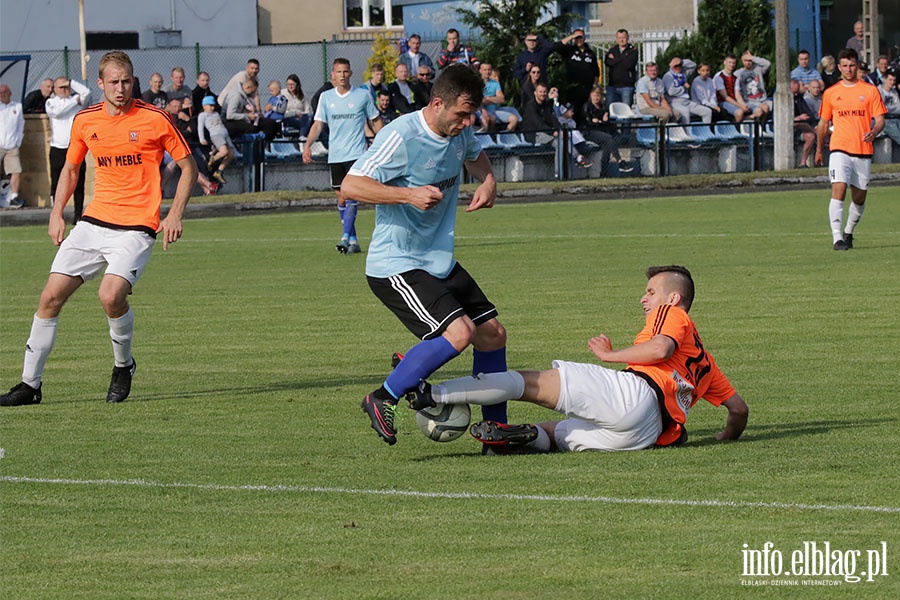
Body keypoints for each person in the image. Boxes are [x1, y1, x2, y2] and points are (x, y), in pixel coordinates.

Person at [0, 50, 198, 408]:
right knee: (49, 297)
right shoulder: (85, 120)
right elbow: (71, 169)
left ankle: (123, 366)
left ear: (132, 81)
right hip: (92, 223)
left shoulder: (155, 119)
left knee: (109, 296)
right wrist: (56, 212)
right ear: (100, 83)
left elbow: (188, 167)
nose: (120, 89)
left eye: (126, 82)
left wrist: (175, 214)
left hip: (136, 227)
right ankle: (30, 385)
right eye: (113, 82)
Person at [406, 265, 749, 454]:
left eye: (650, 292)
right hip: (645, 434)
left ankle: (431, 394)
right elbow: (739, 410)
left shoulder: (673, 316)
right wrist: (725, 438)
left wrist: (609, 355)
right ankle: (515, 436)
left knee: (524, 382)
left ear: (673, 297)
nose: (643, 299)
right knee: (554, 435)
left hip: (635, 395)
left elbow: (661, 349)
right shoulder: (707, 362)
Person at [340, 64, 507, 446]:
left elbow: (475, 155)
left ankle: (494, 430)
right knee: (461, 332)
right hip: (396, 264)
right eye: (461, 114)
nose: (467, 123)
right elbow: (351, 184)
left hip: (437, 260)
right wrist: (407, 194)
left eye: (471, 115)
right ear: (436, 104)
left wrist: (489, 180)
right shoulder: (402, 135)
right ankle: (383, 397)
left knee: (493, 335)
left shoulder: (459, 133)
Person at [302, 58, 382, 254]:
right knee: (341, 198)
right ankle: (353, 240)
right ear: (333, 75)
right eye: (339, 72)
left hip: (356, 153)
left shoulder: (362, 95)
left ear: (351, 73)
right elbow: (318, 124)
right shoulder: (326, 97)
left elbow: (376, 120)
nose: (342, 75)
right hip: (336, 155)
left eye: (345, 71)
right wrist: (307, 145)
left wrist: (383, 141)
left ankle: (345, 237)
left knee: (352, 193)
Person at [815, 48, 886, 251]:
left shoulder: (870, 91)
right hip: (839, 148)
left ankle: (848, 232)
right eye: (844, 65)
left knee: (859, 196)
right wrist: (820, 150)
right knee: (839, 187)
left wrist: (874, 131)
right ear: (839, 67)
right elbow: (823, 124)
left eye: (852, 65)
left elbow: (880, 119)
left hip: (863, 150)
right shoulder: (831, 93)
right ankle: (837, 238)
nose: (848, 69)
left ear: (858, 66)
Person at [45, 77, 91, 221]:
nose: (65, 90)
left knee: (78, 182)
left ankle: (78, 216)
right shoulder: (51, 102)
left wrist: (72, 82)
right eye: (61, 87)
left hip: (75, 147)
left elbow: (87, 92)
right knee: (56, 181)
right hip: (58, 148)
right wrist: (74, 101)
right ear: (55, 89)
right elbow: (58, 112)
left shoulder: (77, 101)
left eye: (67, 87)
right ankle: (56, 214)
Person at [554, 28, 599, 127]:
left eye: (580, 37)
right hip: (572, 88)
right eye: (576, 38)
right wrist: (571, 37)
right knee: (573, 112)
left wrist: (594, 86)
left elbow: (596, 71)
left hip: (586, 88)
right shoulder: (570, 50)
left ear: (584, 38)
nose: (578, 40)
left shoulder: (590, 53)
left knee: (585, 112)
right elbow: (557, 47)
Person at [581, 84, 627, 172]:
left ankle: (604, 171)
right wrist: (599, 121)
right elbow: (589, 122)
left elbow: (606, 124)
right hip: (589, 132)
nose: (596, 98)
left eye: (598, 95)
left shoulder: (603, 107)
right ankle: (620, 161)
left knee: (607, 145)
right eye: (594, 95)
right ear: (590, 95)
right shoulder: (587, 106)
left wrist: (604, 121)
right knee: (608, 138)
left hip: (601, 132)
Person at [222, 77, 279, 142]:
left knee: (270, 123)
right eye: (252, 91)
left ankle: (266, 145)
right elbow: (230, 115)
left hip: (243, 118)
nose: (252, 94)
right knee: (252, 129)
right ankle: (249, 149)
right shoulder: (236, 97)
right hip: (229, 121)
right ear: (248, 87)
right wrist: (247, 116)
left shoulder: (244, 96)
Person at [198, 95, 235, 185]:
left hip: (224, 134)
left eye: (213, 105)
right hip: (216, 134)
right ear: (204, 106)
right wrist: (201, 138)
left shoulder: (216, 114)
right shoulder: (203, 115)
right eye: (210, 105)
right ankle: (212, 159)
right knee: (224, 151)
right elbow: (200, 127)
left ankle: (219, 171)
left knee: (231, 154)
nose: (212, 108)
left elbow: (221, 125)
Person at [662, 57, 711, 124]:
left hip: (686, 101)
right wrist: (684, 88)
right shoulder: (667, 76)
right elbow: (671, 92)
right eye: (675, 66)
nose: (678, 67)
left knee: (707, 111)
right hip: (674, 102)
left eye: (679, 65)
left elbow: (693, 65)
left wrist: (681, 61)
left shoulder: (683, 73)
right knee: (685, 111)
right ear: (672, 66)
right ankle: (686, 133)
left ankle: (706, 132)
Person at [0, 83, 25, 208]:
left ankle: (14, 196)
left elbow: (21, 125)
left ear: (10, 93)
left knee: (16, 170)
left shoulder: (17, 106)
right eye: (1, 93)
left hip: (12, 146)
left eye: (5, 92)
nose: (3, 95)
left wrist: (18, 141)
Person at [478, 62, 518, 132]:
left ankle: (506, 136)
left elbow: (502, 99)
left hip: (495, 110)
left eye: (489, 70)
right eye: (485, 70)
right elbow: (480, 101)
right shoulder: (477, 83)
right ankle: (487, 139)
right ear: (480, 70)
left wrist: (488, 98)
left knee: (514, 119)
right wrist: (494, 99)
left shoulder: (495, 83)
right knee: (489, 119)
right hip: (481, 111)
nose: (487, 72)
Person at [604, 29, 639, 106]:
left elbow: (629, 64)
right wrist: (623, 59)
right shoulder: (613, 49)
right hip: (612, 86)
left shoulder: (633, 50)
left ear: (628, 38)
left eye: (623, 37)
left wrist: (615, 59)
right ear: (617, 38)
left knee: (625, 110)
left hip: (627, 86)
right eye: (619, 38)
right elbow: (607, 62)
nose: (621, 40)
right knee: (609, 109)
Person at [735, 51, 772, 120]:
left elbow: (768, 64)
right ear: (742, 61)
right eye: (746, 60)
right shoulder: (738, 73)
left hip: (762, 99)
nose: (748, 63)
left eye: (750, 60)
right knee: (765, 108)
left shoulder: (758, 69)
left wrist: (753, 58)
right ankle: (758, 126)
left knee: (774, 106)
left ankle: (753, 121)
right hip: (749, 101)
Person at [714, 54, 749, 122]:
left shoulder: (735, 78)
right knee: (739, 112)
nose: (731, 65)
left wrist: (743, 104)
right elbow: (725, 97)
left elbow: (737, 94)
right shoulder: (719, 77)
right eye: (729, 62)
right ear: (725, 62)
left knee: (754, 110)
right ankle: (736, 128)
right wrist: (739, 105)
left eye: (733, 63)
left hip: (732, 101)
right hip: (721, 102)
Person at [791, 79, 817, 168]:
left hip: (800, 130)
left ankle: (803, 163)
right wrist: (797, 118)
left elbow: (808, 114)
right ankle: (817, 133)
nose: (795, 94)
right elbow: (782, 118)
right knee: (800, 123)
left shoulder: (799, 98)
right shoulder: (782, 100)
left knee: (811, 137)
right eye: (793, 92)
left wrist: (804, 117)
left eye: (797, 92)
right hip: (788, 128)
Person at [282, 73, 313, 138]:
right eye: (288, 84)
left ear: (297, 84)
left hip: (302, 117)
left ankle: (303, 138)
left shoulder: (302, 94)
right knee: (304, 122)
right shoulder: (283, 94)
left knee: (310, 118)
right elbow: (282, 112)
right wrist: (294, 113)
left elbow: (308, 109)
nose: (290, 86)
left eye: (292, 84)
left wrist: (303, 115)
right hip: (289, 118)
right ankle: (302, 138)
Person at [877, 71, 900, 146]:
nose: (892, 82)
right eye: (890, 80)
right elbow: (880, 108)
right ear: (885, 79)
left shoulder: (894, 92)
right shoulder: (878, 91)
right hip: (885, 121)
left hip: (896, 119)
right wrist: (893, 108)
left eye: (894, 80)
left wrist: (889, 109)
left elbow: (899, 108)